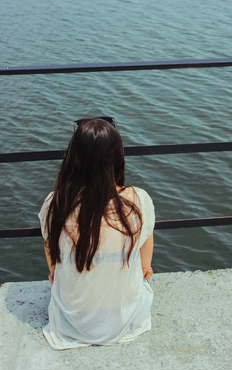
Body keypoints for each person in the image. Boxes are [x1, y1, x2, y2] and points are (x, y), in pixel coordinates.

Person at [38, 117, 155, 350]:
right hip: (123, 320)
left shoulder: (56, 203)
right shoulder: (138, 200)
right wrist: (145, 268)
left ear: (74, 157)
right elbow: (146, 239)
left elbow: (49, 240)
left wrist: (54, 269)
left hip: (70, 322)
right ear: (117, 156)